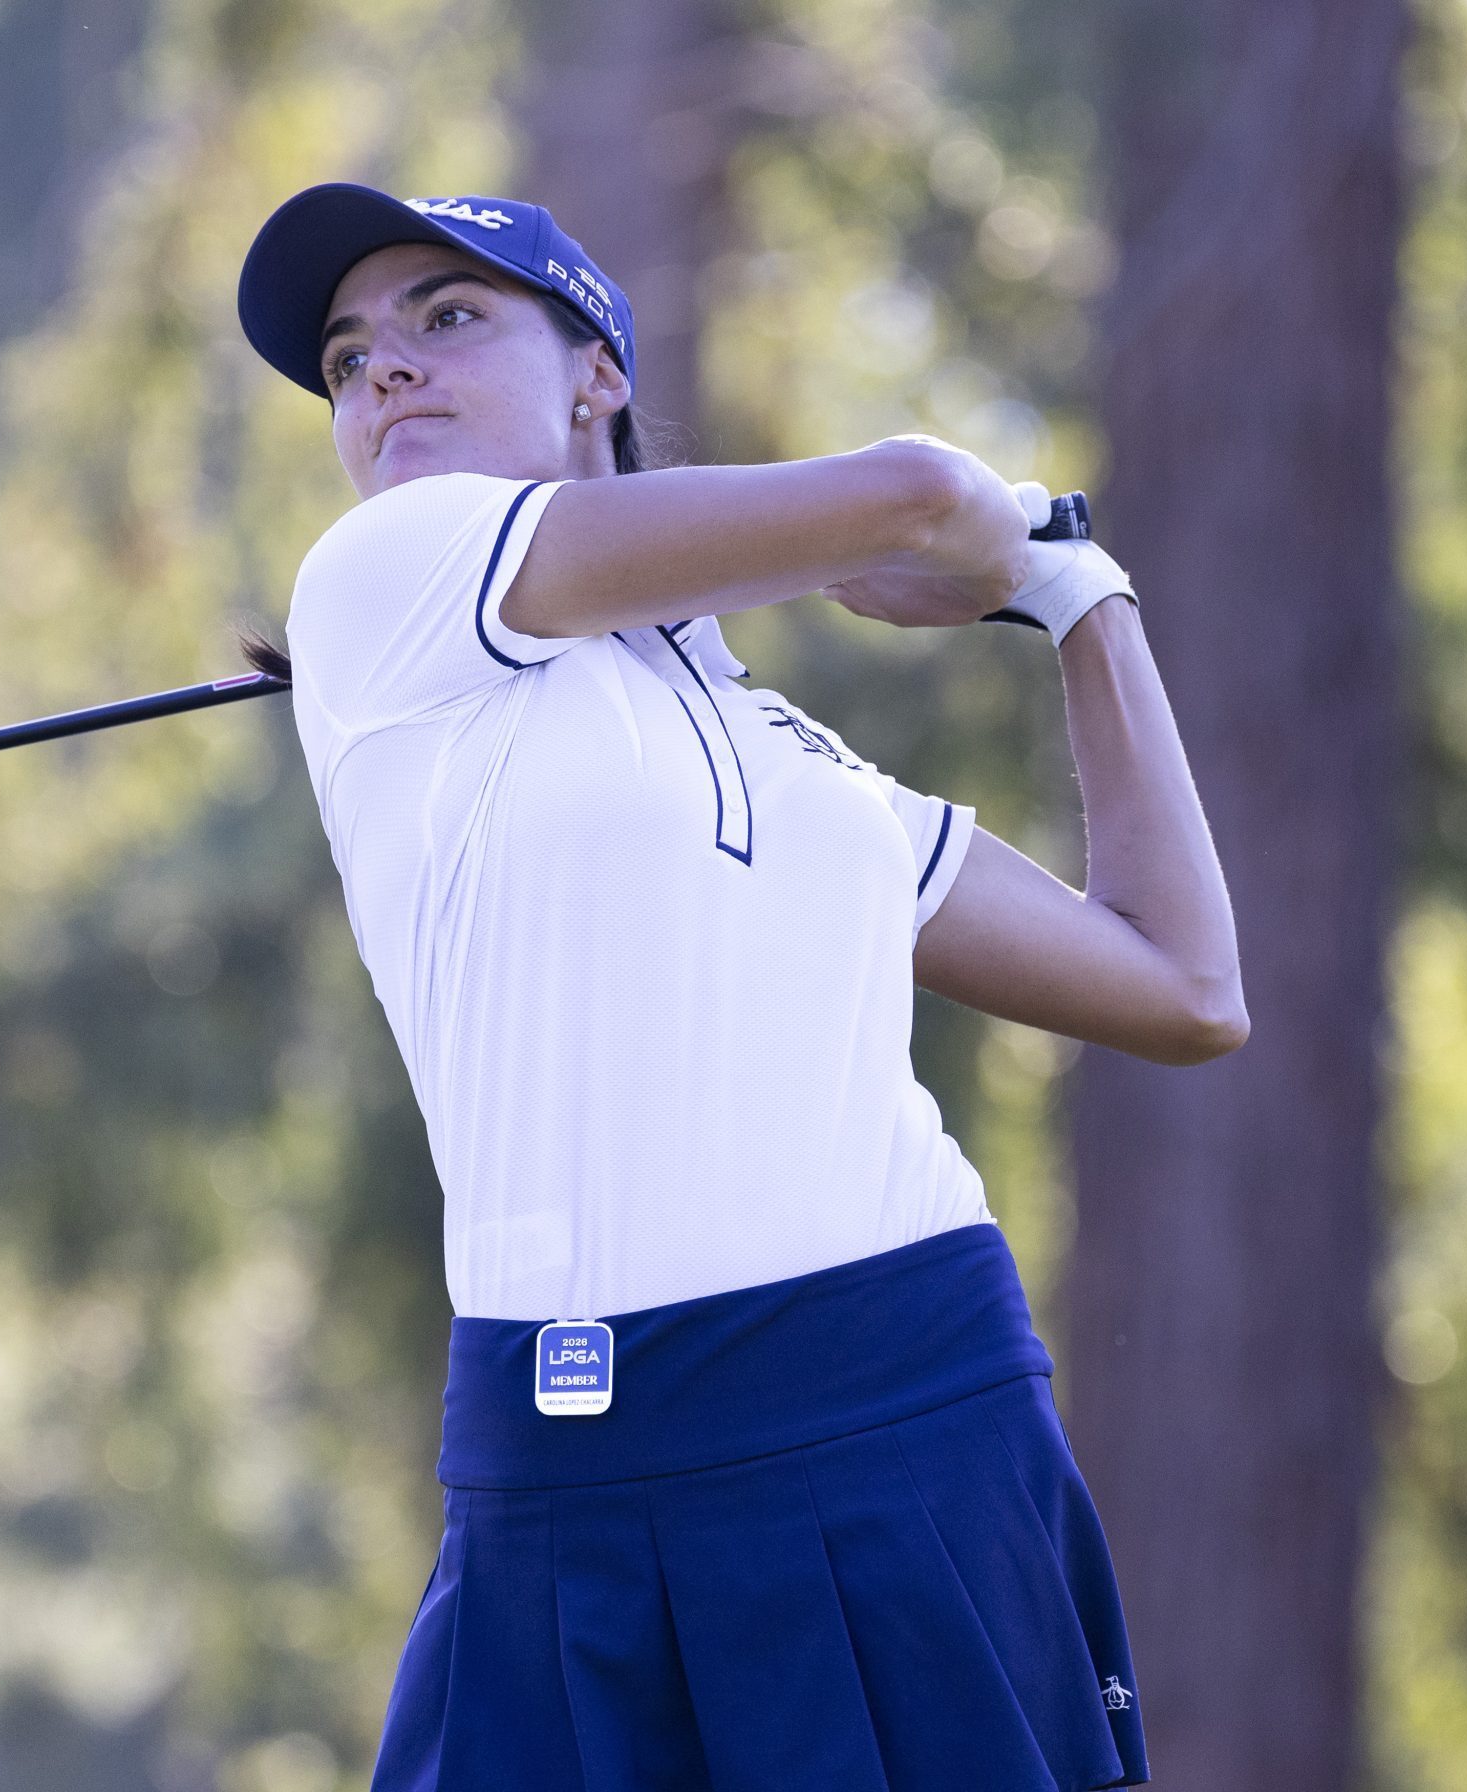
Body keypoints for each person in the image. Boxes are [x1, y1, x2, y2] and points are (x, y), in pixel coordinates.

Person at [233, 181, 1245, 1791]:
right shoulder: (380, 580)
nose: (385, 377)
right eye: (351, 361)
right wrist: (971, 534)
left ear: (599, 379)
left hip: (924, 1409)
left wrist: (1078, 598)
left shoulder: (803, 763)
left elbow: (1182, 985)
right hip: (585, 1459)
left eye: (447, 320)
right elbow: (914, 493)